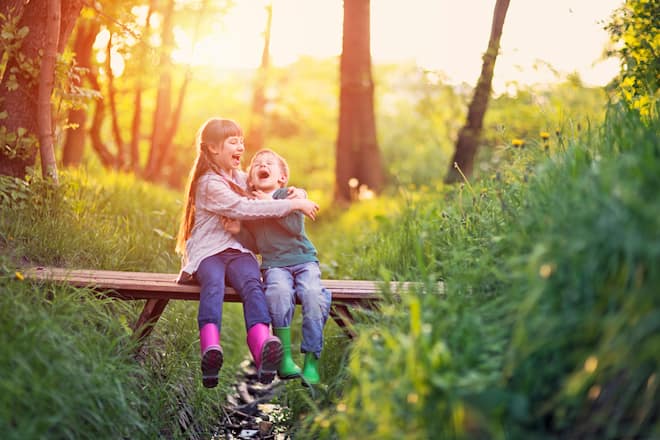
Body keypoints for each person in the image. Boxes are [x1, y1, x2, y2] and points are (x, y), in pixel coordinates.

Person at [175, 118, 320, 388]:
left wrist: (294, 192)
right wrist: (295, 205)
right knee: (214, 284)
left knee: (253, 284)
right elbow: (245, 208)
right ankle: (210, 348)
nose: (241, 147)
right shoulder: (208, 183)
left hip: (238, 250)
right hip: (209, 253)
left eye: (241, 141)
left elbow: (266, 187)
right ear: (213, 149)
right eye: (233, 141)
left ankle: (262, 347)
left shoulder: (238, 177)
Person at [223, 149, 331, 385]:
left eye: (269, 163)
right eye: (257, 164)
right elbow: (256, 245)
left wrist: (273, 203)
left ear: (282, 177)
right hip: (274, 266)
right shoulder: (249, 205)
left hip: (303, 260)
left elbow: (294, 227)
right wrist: (238, 232)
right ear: (250, 178)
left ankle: (312, 360)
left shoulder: (289, 196)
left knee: (313, 296)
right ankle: (285, 359)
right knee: (278, 294)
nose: (263, 165)